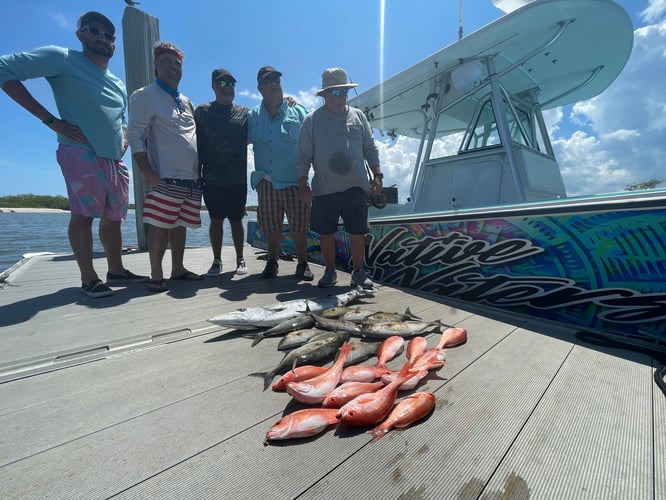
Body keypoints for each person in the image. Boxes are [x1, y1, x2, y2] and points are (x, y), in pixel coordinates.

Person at [0, 11, 148, 298]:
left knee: (114, 218)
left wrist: (126, 137)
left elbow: (122, 117)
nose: (102, 39)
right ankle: (88, 277)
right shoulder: (62, 58)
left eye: (108, 35)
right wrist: (51, 121)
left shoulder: (117, 82)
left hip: (114, 160)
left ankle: (116, 269)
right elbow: (3, 68)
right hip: (81, 152)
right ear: (80, 35)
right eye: (94, 31)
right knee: (83, 215)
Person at [127, 41, 204, 293]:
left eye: (177, 63)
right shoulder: (145, 95)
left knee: (179, 224)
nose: (173, 67)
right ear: (155, 65)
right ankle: (156, 274)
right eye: (167, 62)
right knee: (160, 225)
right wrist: (148, 172)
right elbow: (136, 136)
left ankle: (178, 268)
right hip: (164, 176)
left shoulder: (186, 99)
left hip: (190, 178)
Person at [296, 68, 382, 289]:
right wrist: (303, 184)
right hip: (324, 189)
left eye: (344, 91)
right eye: (335, 92)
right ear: (325, 94)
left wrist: (378, 174)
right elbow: (303, 156)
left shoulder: (358, 116)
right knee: (326, 233)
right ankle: (330, 271)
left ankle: (359, 272)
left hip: (356, 185)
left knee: (358, 231)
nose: (341, 96)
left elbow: (370, 148)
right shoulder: (312, 120)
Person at [248, 66, 313, 281]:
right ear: (259, 88)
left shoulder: (300, 111)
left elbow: (314, 143)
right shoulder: (252, 116)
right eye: (267, 81)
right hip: (267, 182)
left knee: (299, 228)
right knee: (271, 227)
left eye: (276, 79)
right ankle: (272, 261)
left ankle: (303, 263)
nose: (274, 83)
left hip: (296, 182)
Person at [194, 69, 248, 277]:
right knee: (216, 220)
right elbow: (194, 143)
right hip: (212, 179)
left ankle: (240, 258)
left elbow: (265, 117)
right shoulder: (202, 111)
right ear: (213, 86)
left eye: (231, 84)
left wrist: (287, 100)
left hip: (238, 180)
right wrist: (196, 175)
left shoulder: (244, 112)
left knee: (237, 220)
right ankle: (216, 260)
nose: (227, 88)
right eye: (222, 83)